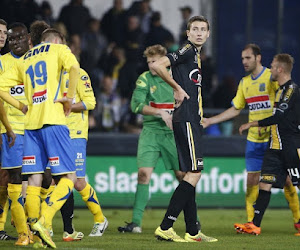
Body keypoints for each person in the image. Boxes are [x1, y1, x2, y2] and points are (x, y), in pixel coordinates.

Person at [203, 44, 300, 228]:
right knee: (252, 181)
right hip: (254, 140)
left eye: (247, 58)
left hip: (275, 138)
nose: (244, 62)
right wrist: (211, 121)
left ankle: (297, 220)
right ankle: (251, 222)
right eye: (242, 58)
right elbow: (235, 109)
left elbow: (284, 106)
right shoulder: (244, 83)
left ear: (258, 58)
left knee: (288, 181)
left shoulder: (272, 78)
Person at [0, 28, 80, 249]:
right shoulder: (58, 49)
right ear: (55, 40)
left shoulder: (24, 59)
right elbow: (74, 67)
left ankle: (35, 236)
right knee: (69, 178)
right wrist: (69, 99)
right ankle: (44, 220)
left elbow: (0, 86)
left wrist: (21, 106)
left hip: (31, 126)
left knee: (34, 180)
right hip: (53, 120)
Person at [151, 16, 217, 242]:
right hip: (186, 118)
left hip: (192, 118)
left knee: (190, 174)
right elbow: (158, 64)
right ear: (188, 33)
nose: (199, 33)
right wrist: (177, 89)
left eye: (203, 30)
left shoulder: (195, 55)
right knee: (195, 173)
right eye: (195, 29)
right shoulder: (188, 50)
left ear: (208, 34)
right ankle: (166, 225)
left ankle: (192, 231)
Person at [117, 44, 185, 233]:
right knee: (143, 174)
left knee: (183, 177)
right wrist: (160, 113)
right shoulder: (144, 79)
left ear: (165, 62)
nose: (151, 66)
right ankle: (136, 223)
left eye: (154, 62)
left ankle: (192, 220)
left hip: (172, 134)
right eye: (149, 62)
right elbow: (136, 105)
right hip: (150, 133)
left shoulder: (176, 79)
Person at [234, 54, 300, 236]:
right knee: (265, 183)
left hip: (291, 146)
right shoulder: (279, 90)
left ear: (280, 69)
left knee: (297, 183)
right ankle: (255, 224)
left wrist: (251, 124)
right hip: (275, 147)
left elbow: (279, 117)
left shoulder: (291, 89)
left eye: (272, 66)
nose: (270, 69)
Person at [0, 22, 31, 246]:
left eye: (4, 33)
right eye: (1, 34)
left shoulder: (35, 61)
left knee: (39, 177)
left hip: (32, 128)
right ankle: (22, 230)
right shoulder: (3, 63)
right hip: (9, 128)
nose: (4, 37)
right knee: (9, 177)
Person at [0, 18, 18, 242]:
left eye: (5, 32)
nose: (2, 35)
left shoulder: (5, 61)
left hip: (4, 126)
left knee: (4, 177)